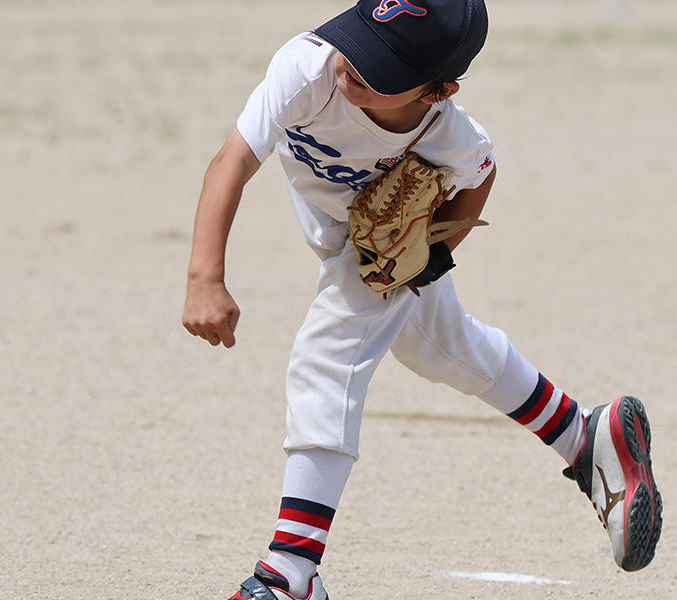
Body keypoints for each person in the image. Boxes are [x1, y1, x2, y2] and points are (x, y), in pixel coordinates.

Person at [181, 1, 662, 598]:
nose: (353, 63)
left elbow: (480, 171)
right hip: (343, 241)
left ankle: (290, 572)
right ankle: (585, 437)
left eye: (382, 64)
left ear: (438, 90)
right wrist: (205, 277)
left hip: (370, 264)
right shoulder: (306, 68)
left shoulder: (445, 132)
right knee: (440, 345)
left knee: (326, 357)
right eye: (357, 38)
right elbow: (231, 161)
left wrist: (430, 254)